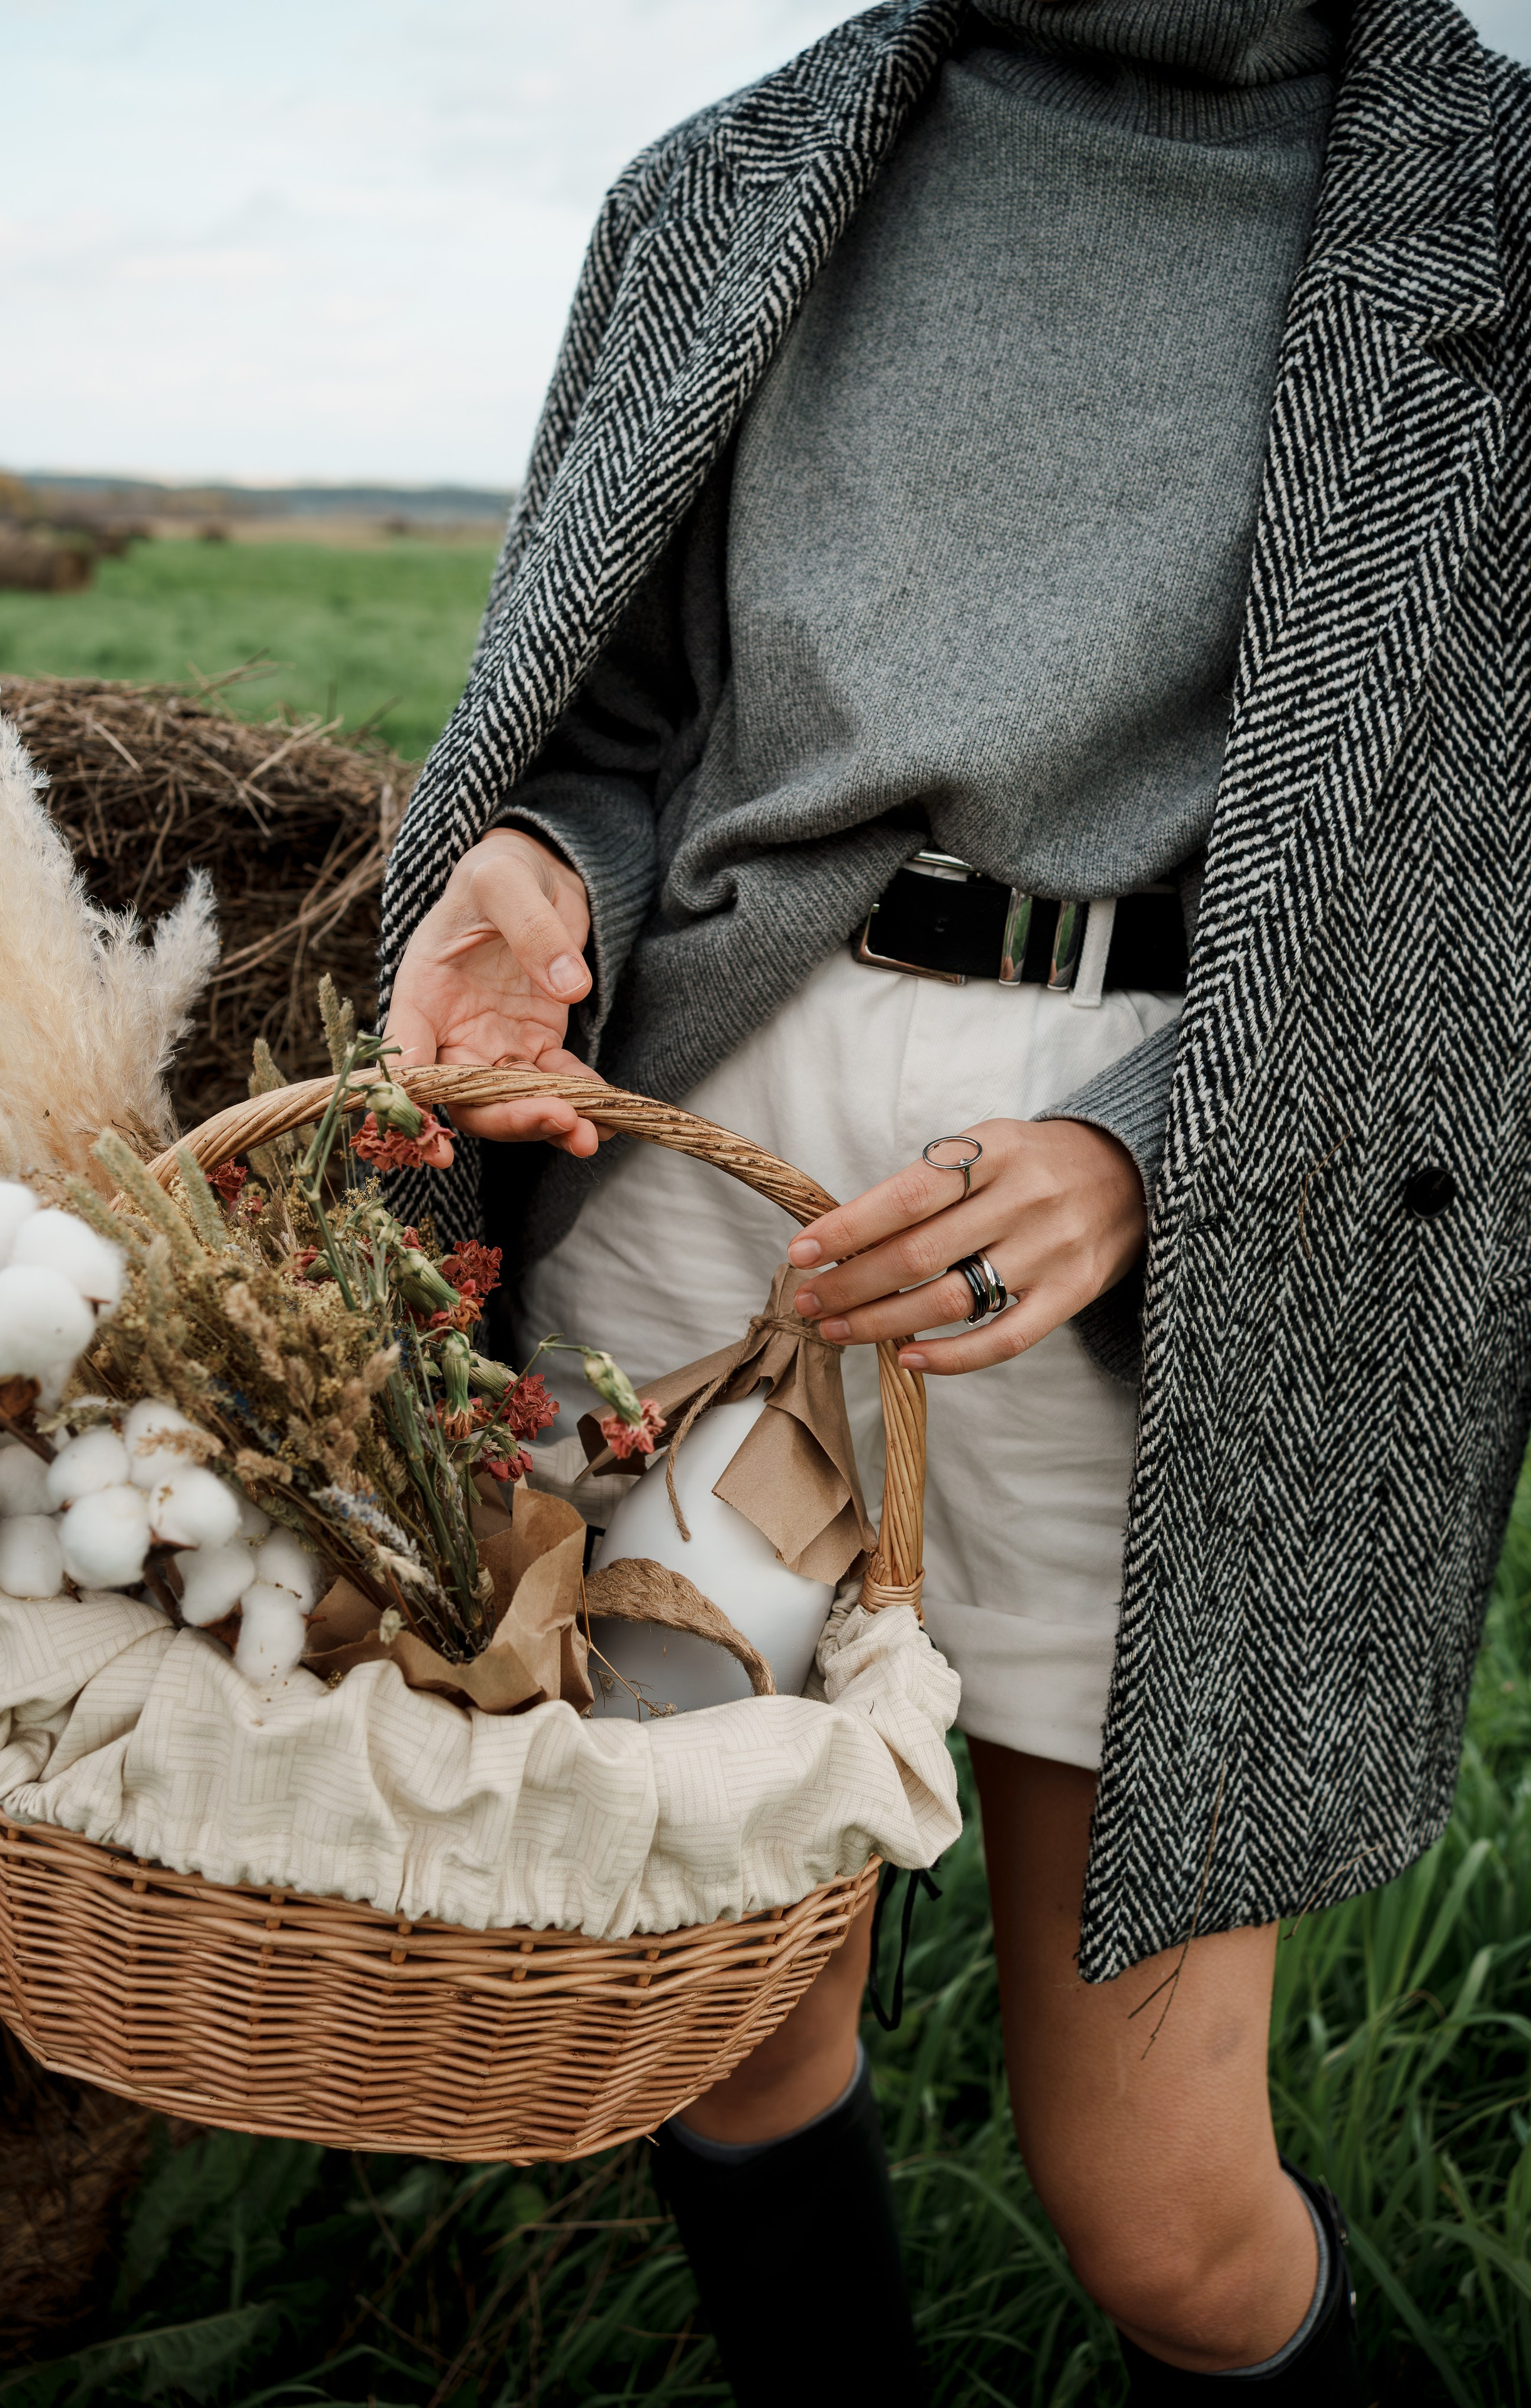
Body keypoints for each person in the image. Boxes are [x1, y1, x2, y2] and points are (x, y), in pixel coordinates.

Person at [379, 0, 1531, 2396]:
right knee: (726, 2017)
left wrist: (1157, 1145)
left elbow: (1489, 880)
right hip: (702, 1168)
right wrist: (525, 862)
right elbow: (612, 725)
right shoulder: (739, 176)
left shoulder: (1493, 208)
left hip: (1232, 1206)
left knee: (1166, 2226)